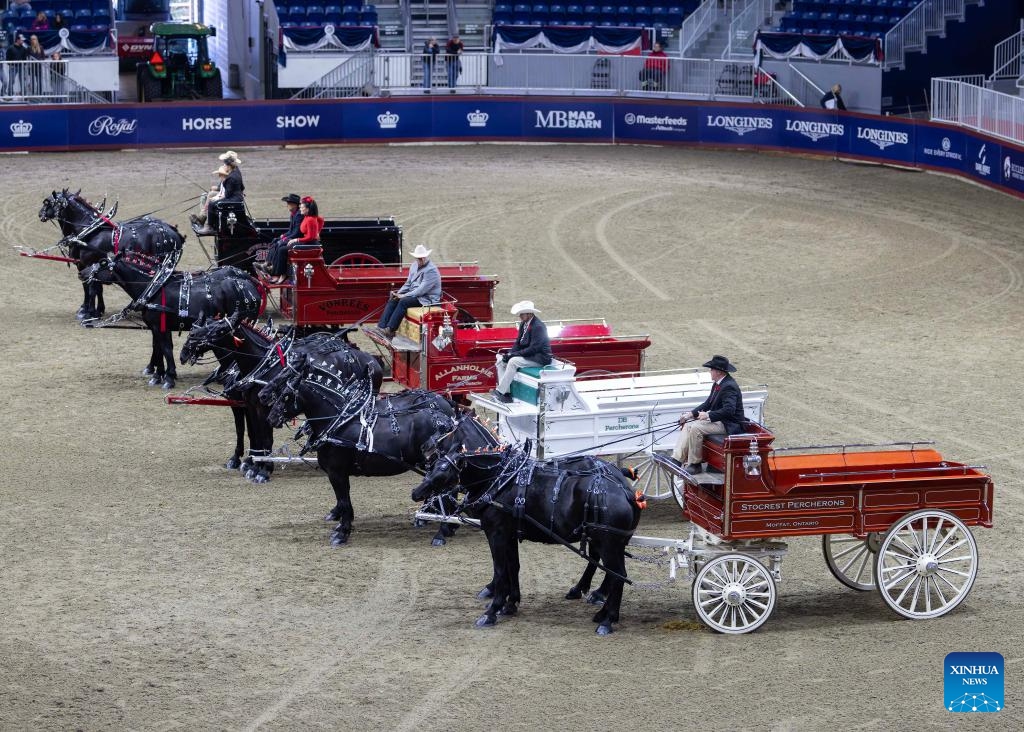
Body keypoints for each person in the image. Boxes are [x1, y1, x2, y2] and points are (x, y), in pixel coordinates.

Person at [672, 355, 745, 478]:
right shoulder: (718, 384)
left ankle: (695, 464)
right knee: (689, 425)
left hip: (729, 424)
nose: (710, 371)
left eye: (711, 369)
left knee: (696, 428)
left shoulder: (729, 386)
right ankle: (677, 459)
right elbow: (708, 403)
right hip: (720, 421)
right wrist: (690, 414)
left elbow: (729, 410)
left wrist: (708, 415)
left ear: (719, 372)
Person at [491, 300, 553, 403]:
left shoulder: (538, 326)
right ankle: (506, 393)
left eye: (522, 314)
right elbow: (518, 343)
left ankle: (500, 391)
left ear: (529, 314)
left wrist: (513, 355)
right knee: (501, 360)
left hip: (540, 358)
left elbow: (533, 349)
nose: (519, 316)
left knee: (513, 361)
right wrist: (509, 354)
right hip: (531, 355)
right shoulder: (523, 324)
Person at [376, 244, 442, 338]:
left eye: (421, 258)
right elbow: (408, 283)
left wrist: (404, 295)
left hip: (426, 299)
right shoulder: (414, 266)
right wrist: (398, 293)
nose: (419, 260)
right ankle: (381, 327)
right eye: (418, 258)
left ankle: (390, 329)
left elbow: (421, 290)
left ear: (424, 258)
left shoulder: (432, 271)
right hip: (416, 295)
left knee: (404, 301)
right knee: (394, 299)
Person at [268, 196, 323, 283]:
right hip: (306, 242)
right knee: (282, 247)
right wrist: (318, 232)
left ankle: (281, 274)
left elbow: (310, 237)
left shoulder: (310, 219)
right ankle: (278, 272)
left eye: (302, 207)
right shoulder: (307, 217)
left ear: (307, 209)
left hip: (309, 244)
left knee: (282, 250)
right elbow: (321, 220)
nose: (300, 208)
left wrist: (296, 240)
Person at [194, 151, 244, 235]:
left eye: (225, 165)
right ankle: (206, 220)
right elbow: (242, 187)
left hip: (233, 199)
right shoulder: (237, 171)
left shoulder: (231, 177)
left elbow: (227, 195)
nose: (224, 166)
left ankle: (209, 227)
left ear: (228, 166)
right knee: (212, 199)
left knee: (212, 203)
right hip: (236, 197)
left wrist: (216, 198)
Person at [259, 193, 305, 280]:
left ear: (294, 205)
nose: (287, 205)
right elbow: (290, 231)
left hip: (297, 240)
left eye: (288, 203)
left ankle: (275, 271)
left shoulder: (299, 215)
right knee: (275, 241)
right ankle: (267, 264)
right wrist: (282, 236)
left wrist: (285, 239)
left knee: (280, 246)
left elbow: (297, 233)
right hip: (292, 238)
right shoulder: (293, 215)